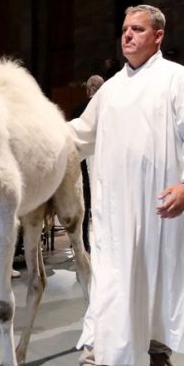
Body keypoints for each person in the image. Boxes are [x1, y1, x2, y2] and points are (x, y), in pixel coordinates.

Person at [60, 4, 184, 366]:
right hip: (116, 212)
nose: (127, 36)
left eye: (137, 29)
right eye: (124, 29)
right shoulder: (110, 92)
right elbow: (78, 136)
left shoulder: (178, 80)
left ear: (158, 36)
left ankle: (160, 354)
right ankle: (94, 364)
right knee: (110, 281)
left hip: (163, 207)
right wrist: (31, 133)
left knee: (161, 279)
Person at [70, 74, 105, 253]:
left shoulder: (78, 110)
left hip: (82, 166)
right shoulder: (109, 109)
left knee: (84, 204)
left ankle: (83, 243)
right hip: (105, 163)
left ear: (88, 90)